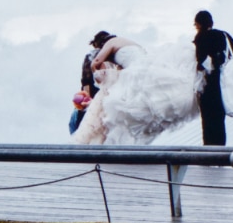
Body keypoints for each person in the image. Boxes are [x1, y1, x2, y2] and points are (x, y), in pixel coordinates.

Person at [72, 33, 200, 145]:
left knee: (115, 107)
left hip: (134, 74)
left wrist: (97, 75)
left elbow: (96, 61)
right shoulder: (130, 43)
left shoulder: (110, 43)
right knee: (135, 110)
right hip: (147, 70)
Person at [192, 10, 233, 146]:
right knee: (220, 123)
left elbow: (199, 63)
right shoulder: (224, 35)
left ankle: (208, 158)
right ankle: (220, 156)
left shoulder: (200, 38)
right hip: (223, 85)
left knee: (208, 124)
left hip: (207, 88)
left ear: (199, 23)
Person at [68, 33, 108, 134]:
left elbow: (86, 81)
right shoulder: (110, 56)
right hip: (105, 98)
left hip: (94, 97)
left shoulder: (91, 56)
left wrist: (86, 101)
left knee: (79, 128)